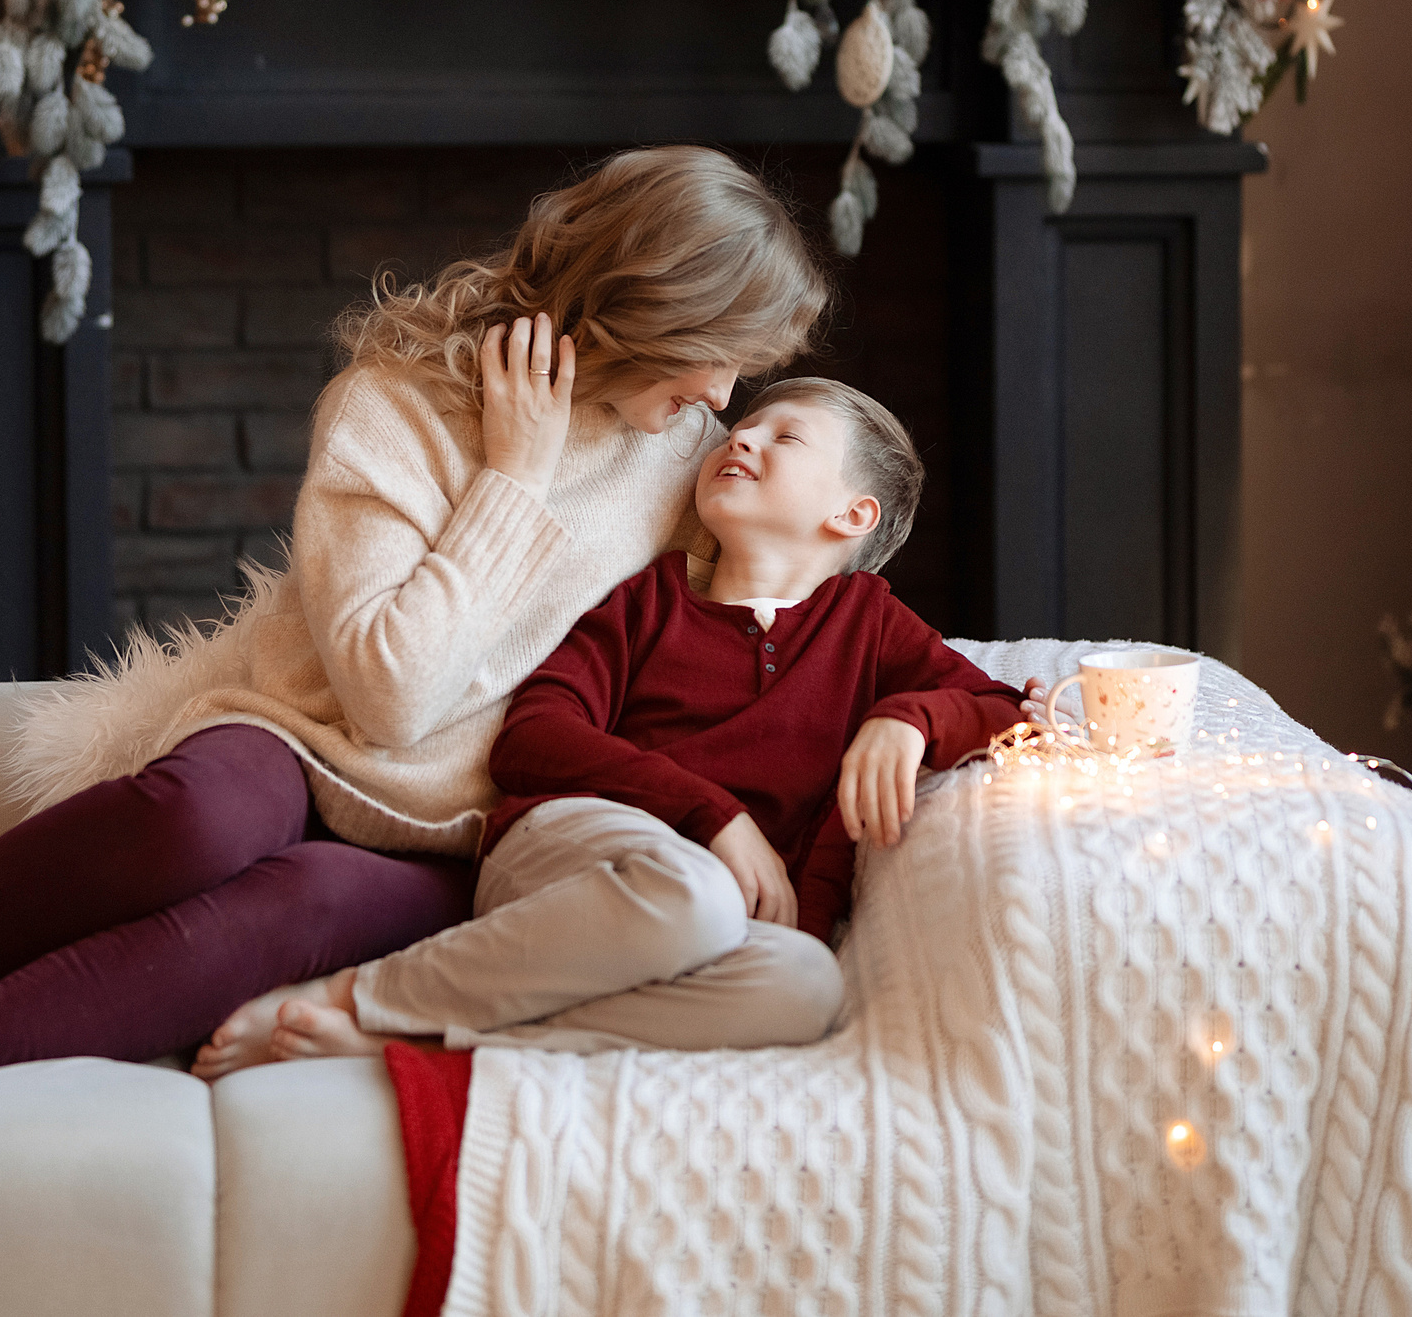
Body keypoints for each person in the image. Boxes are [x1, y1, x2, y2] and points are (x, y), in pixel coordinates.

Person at [0, 148, 830, 1129]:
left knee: (291, 908)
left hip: (474, 831)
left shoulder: (689, 463)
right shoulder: (398, 404)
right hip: (305, 739)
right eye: (716, 354)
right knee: (194, 815)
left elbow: (826, 600)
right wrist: (514, 484)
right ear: (644, 312)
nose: (725, 396)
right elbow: (388, 697)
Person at [243, 378, 1029, 1062]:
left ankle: (434, 1040)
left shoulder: (868, 625)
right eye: (745, 424)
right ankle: (362, 995)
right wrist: (714, 817)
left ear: (852, 513)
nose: (742, 435)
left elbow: (1007, 710)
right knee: (695, 892)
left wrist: (908, 721)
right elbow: (535, 736)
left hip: (703, 921)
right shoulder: (649, 600)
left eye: (784, 436)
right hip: (575, 856)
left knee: (806, 985)